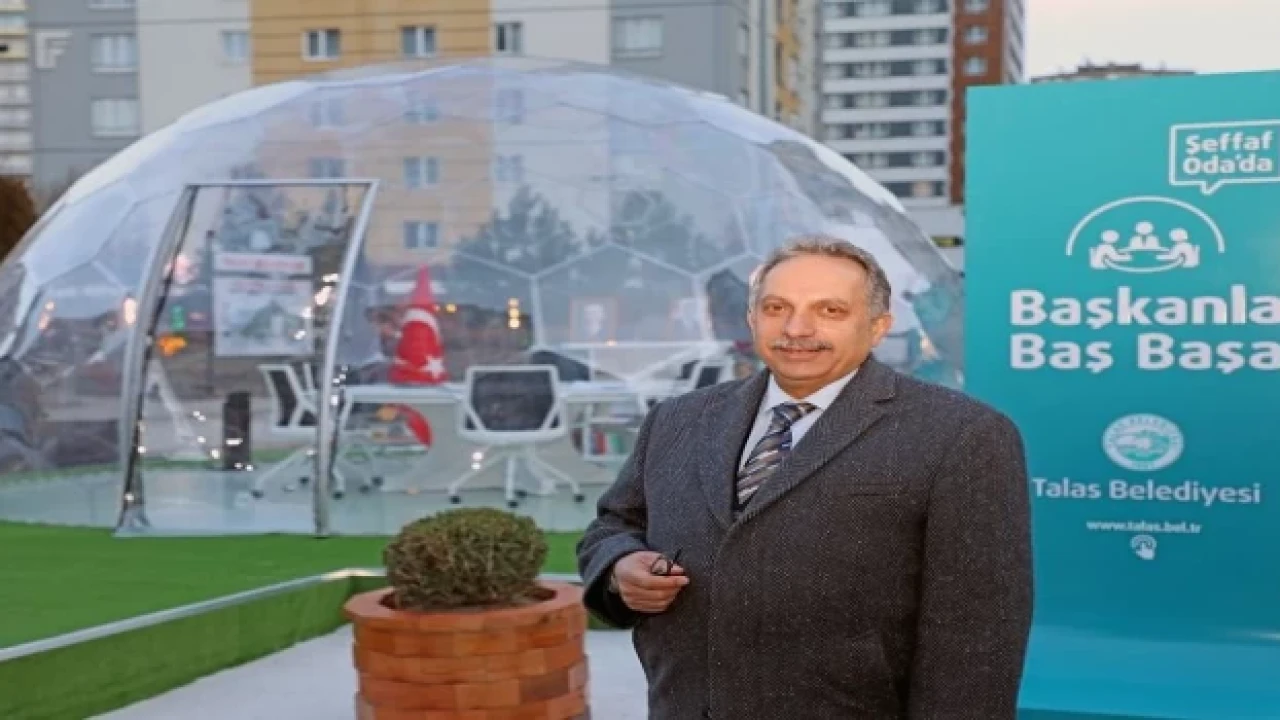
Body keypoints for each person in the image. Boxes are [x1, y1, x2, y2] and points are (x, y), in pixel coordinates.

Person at [576, 235, 1034, 719]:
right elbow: (613, 526)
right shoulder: (678, 420)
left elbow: (977, 637)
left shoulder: (962, 435)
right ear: (753, 319)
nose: (797, 328)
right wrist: (619, 566)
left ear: (878, 326)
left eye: (830, 310)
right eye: (777, 308)